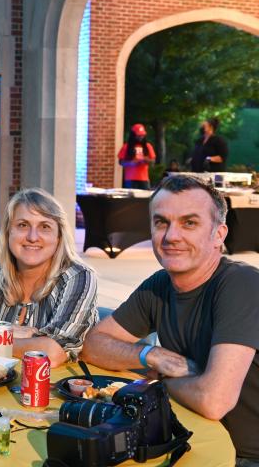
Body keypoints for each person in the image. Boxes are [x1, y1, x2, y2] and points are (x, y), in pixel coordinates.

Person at [81, 174, 259, 464]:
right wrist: (151, 354)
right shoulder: (160, 285)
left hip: (244, 457)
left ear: (219, 234)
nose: (171, 236)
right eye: (161, 222)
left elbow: (214, 401)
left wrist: (158, 381)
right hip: (189, 437)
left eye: (189, 223)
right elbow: (94, 344)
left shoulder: (241, 284)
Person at [0, 188, 98, 366]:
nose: (32, 237)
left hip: (52, 389)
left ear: (59, 237)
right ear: (8, 232)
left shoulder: (77, 277)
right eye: (22, 225)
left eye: (45, 227)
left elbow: (52, 353)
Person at [118, 123, 156, 189]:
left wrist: (146, 160)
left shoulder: (148, 146)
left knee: (144, 198)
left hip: (144, 179)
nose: (141, 137)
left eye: (142, 135)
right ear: (133, 135)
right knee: (131, 199)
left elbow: (153, 161)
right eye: (139, 135)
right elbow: (121, 162)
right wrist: (131, 163)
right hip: (130, 179)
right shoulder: (126, 147)